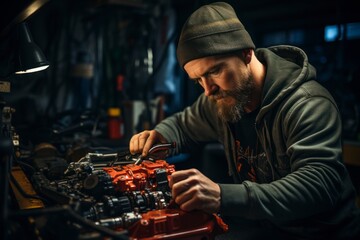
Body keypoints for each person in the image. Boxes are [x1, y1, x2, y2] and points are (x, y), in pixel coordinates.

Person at [129, 2, 360, 239]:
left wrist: (222, 196)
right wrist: (158, 136)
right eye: (198, 79)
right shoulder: (220, 100)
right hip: (268, 228)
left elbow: (319, 184)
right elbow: (181, 125)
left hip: (322, 233)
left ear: (246, 53)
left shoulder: (307, 103)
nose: (208, 90)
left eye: (214, 71)